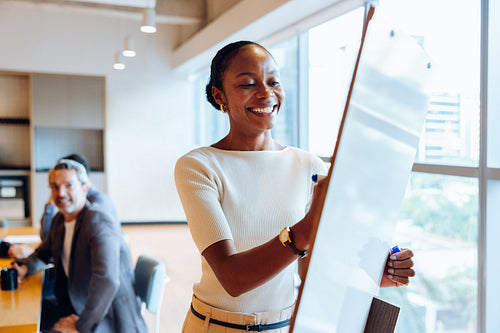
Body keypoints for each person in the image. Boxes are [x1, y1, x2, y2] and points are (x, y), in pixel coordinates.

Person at [174, 40, 415, 332]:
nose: (266, 93)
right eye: (248, 84)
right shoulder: (199, 166)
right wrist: (306, 228)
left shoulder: (308, 166)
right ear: (219, 95)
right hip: (216, 326)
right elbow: (232, 278)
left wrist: (374, 273)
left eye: (274, 81)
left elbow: (311, 264)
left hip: (284, 325)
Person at [10, 159, 146, 333]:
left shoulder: (98, 220)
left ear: (85, 187)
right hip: (74, 302)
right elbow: (42, 255)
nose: (61, 193)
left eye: (69, 185)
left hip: (106, 316)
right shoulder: (60, 221)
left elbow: (106, 279)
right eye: (55, 187)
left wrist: (82, 325)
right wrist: (24, 268)